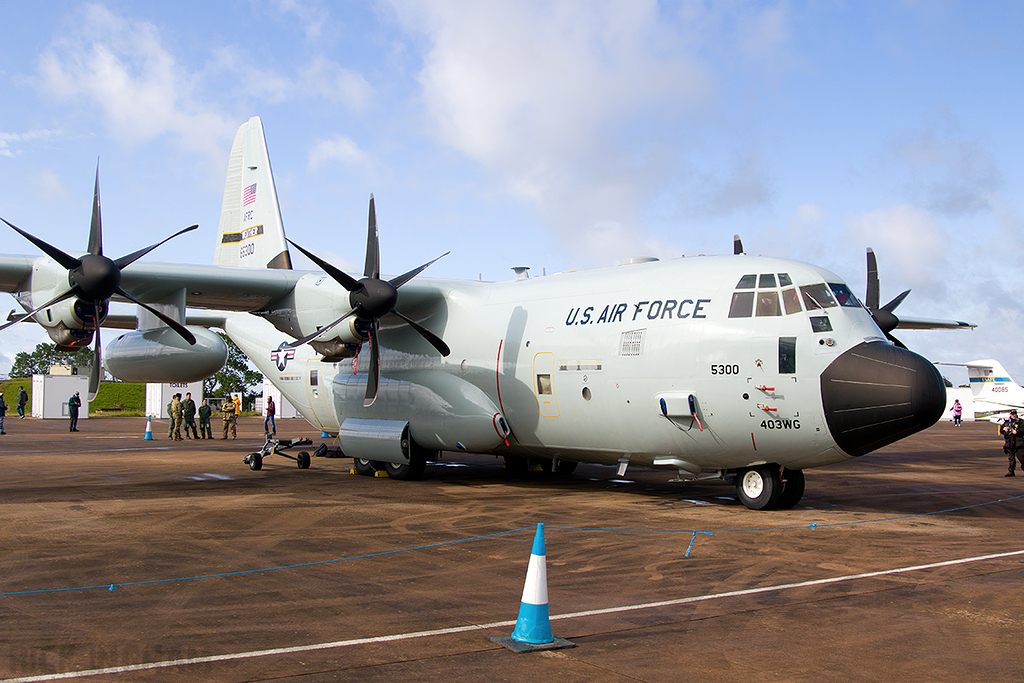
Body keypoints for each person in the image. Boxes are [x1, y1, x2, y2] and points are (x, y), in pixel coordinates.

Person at [1001, 409, 1024, 477]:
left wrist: (1017, 431)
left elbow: (1023, 429)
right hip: (1009, 443)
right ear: (1010, 415)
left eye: (1015, 414)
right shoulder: (1007, 422)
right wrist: (1003, 429)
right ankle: (1011, 471)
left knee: (1022, 458)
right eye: (1012, 414)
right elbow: (1002, 429)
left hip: (1018, 442)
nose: (1014, 415)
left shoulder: (1020, 422)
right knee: (1011, 458)